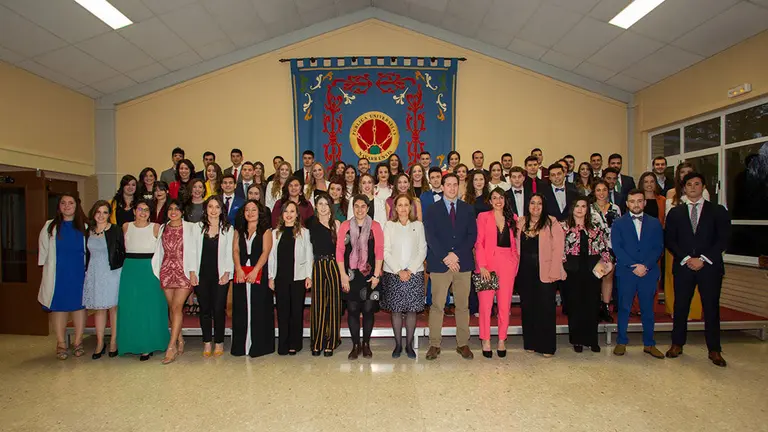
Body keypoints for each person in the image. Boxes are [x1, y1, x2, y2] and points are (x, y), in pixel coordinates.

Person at [665, 173, 731, 367]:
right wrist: (686, 258)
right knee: (680, 307)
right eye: (689, 184)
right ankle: (677, 343)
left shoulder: (717, 211)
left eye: (697, 184)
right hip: (684, 266)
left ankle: (714, 349)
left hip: (709, 267)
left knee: (711, 308)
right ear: (684, 188)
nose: (693, 187)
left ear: (703, 187)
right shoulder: (676, 213)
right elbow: (670, 239)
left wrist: (703, 259)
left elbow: (723, 239)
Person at [424, 174, 477, 360]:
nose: (452, 188)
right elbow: (431, 236)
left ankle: (463, 343)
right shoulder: (432, 209)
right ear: (443, 187)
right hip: (440, 264)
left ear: (459, 187)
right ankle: (434, 344)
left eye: (455, 185)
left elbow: (472, 236)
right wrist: (446, 256)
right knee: (437, 305)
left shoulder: (468, 210)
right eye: (449, 185)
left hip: (463, 264)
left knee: (462, 306)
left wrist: (457, 255)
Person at [611, 190, 665, 359]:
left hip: (648, 272)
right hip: (627, 271)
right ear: (626, 203)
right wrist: (633, 266)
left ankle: (649, 344)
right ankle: (621, 341)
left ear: (644, 203)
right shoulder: (618, 223)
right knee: (624, 307)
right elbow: (617, 248)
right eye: (632, 201)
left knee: (648, 309)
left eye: (639, 201)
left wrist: (646, 266)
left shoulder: (655, 223)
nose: (636, 204)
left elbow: (658, 247)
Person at [116, 200, 168, 361]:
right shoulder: (126, 227)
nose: (143, 213)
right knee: (131, 307)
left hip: (150, 269)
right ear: (134, 211)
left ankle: (148, 345)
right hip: (130, 269)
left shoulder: (156, 227)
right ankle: (131, 343)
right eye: (140, 209)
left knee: (150, 307)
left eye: (146, 210)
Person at [38, 194, 88, 360]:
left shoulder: (85, 227)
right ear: (59, 206)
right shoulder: (49, 227)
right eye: (63, 203)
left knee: (79, 306)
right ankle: (61, 343)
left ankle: (78, 342)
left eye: (71, 203)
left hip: (79, 273)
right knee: (58, 307)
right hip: (57, 274)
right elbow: (43, 253)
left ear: (76, 205)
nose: (67, 206)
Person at [516, 194, 565, 357]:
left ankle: (547, 346)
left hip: (546, 272)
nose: (535, 206)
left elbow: (558, 249)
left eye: (539, 203)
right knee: (528, 308)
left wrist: (554, 271)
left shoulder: (552, 222)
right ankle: (530, 342)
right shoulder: (521, 222)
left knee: (546, 309)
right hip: (524, 273)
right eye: (532, 203)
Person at [561, 197, 612, 353]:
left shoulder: (595, 227)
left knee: (592, 304)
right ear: (572, 208)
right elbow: (558, 249)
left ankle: (592, 340)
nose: (580, 209)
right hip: (571, 269)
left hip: (592, 269)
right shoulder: (563, 227)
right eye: (577, 205)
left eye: (583, 206)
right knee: (575, 305)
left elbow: (603, 247)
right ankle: (577, 340)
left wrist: (607, 263)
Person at [337, 195, 384, 360]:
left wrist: (377, 274)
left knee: (369, 310)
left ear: (368, 208)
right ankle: (356, 344)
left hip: (370, 275)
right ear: (352, 207)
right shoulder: (345, 226)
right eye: (356, 206)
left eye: (363, 206)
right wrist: (342, 275)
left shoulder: (376, 226)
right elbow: (340, 252)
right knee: (352, 310)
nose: (359, 209)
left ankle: (366, 344)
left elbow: (379, 251)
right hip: (350, 275)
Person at [475, 188, 519, 358]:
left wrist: (515, 262)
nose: (498, 201)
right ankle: (485, 339)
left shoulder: (513, 218)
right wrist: (483, 265)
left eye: (501, 197)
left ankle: (502, 339)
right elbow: (479, 243)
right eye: (494, 198)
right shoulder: (483, 217)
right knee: (485, 305)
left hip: (507, 263)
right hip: (487, 264)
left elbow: (515, 243)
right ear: (490, 201)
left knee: (504, 305)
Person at [151, 199, 196, 364]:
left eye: (177, 208)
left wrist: (193, 272)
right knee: (172, 308)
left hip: (183, 271)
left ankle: (171, 347)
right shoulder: (163, 227)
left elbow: (195, 250)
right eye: (170, 209)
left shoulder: (191, 228)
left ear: (183, 211)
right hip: (167, 271)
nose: (173, 211)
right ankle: (180, 339)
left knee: (177, 307)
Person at [382, 194, 427, 359]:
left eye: (406, 205)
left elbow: (422, 250)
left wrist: (410, 270)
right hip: (393, 273)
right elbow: (385, 251)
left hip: (414, 273)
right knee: (396, 310)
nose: (403, 208)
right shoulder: (389, 226)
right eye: (399, 205)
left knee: (411, 311)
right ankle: (398, 344)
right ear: (395, 208)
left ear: (411, 207)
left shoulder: (418, 225)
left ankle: (409, 345)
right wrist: (398, 270)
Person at [664, 162, 708, 319]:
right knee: (672, 276)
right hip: (675, 244)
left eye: (689, 171)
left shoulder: (703, 193)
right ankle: (674, 308)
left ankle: (693, 311)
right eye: (682, 172)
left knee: (695, 276)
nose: (685, 174)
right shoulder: (670, 193)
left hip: (696, 246)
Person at [191, 196, 234, 357]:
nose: (213, 210)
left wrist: (227, 272)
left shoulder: (228, 229)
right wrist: (192, 272)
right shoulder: (197, 228)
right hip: (201, 275)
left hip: (221, 275)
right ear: (205, 209)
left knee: (218, 309)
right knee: (205, 310)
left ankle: (219, 342)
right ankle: (207, 342)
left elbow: (231, 252)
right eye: (210, 207)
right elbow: (191, 251)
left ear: (221, 210)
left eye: (217, 207)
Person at [269, 201, 313, 355]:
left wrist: (309, 276)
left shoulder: (304, 232)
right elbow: (271, 257)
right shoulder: (274, 233)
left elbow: (309, 255)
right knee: (282, 312)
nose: (289, 214)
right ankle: (283, 344)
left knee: (296, 311)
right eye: (286, 211)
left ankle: (295, 343)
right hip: (280, 277)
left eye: (292, 211)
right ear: (281, 214)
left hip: (298, 277)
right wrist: (270, 277)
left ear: (297, 214)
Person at [232, 200, 275, 357]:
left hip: (259, 273)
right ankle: (241, 346)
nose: (250, 213)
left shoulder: (266, 231)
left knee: (259, 307)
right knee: (241, 307)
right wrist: (238, 268)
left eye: (253, 210)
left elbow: (266, 252)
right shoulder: (239, 230)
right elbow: (235, 250)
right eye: (247, 210)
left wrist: (255, 271)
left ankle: (259, 345)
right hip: (241, 273)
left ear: (260, 212)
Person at [83, 200, 125, 359]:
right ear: (94, 213)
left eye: (105, 212)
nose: (101, 215)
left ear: (109, 214)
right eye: (98, 212)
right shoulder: (88, 230)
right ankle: (100, 342)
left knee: (113, 308)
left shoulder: (115, 230)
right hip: (95, 272)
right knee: (99, 309)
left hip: (112, 271)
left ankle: (114, 341)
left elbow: (122, 250)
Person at [306, 194, 342, 356]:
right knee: (318, 304)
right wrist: (308, 274)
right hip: (317, 265)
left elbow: (341, 251)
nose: (323, 207)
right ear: (315, 206)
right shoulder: (310, 224)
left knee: (333, 304)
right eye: (319, 204)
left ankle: (332, 340)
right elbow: (307, 250)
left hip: (334, 265)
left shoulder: (336, 224)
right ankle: (317, 340)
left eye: (326, 204)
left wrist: (343, 273)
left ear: (330, 206)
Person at [591, 180, 621, 323]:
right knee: (596, 277)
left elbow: (620, 229)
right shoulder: (590, 209)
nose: (601, 193)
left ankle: (606, 306)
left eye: (604, 190)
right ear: (594, 192)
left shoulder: (615, 208)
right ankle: (595, 308)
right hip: (595, 248)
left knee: (608, 277)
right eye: (598, 190)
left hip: (611, 248)